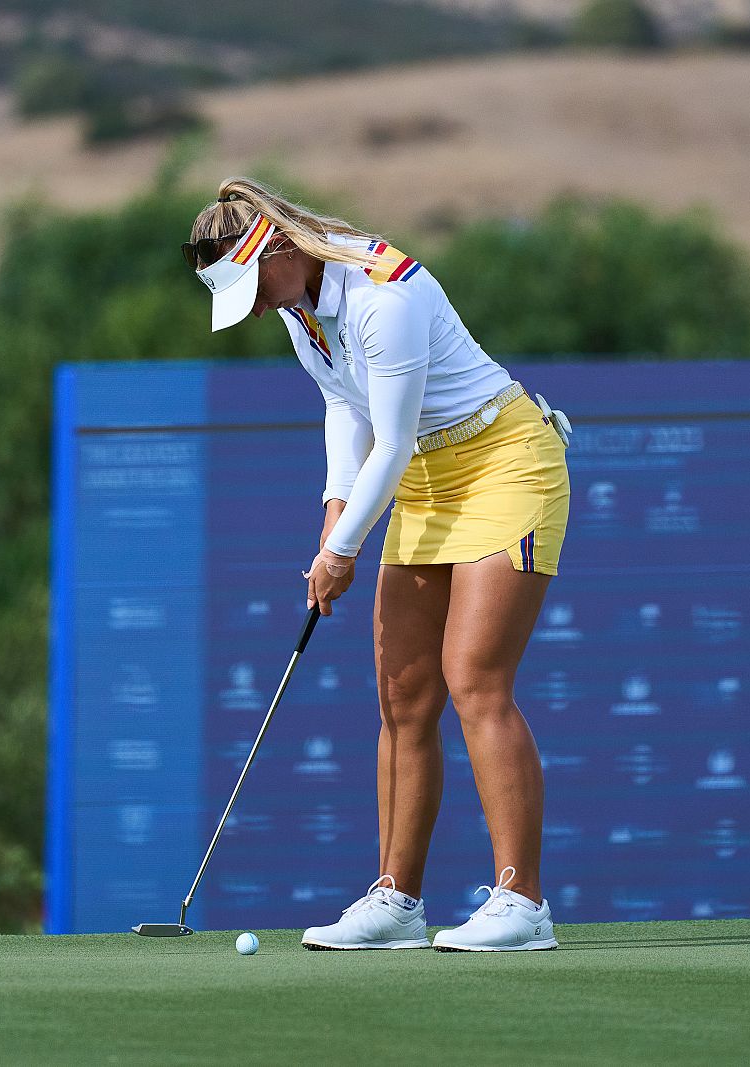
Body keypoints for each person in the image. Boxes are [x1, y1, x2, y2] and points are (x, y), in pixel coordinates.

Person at [183, 177, 571, 952]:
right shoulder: (300, 307)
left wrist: (341, 552)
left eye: (254, 288)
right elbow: (344, 409)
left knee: (474, 678)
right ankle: (396, 900)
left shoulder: (382, 297)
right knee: (403, 693)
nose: (258, 308)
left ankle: (522, 902)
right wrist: (332, 521)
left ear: (281, 249)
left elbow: (388, 447)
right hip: (426, 477)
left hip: (504, 462)